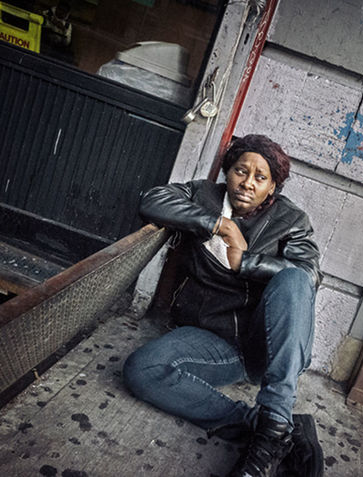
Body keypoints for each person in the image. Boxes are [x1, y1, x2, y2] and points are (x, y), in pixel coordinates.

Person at [123, 134, 323, 477]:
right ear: (227, 172)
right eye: (240, 171)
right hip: (211, 339)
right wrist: (220, 225)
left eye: (260, 178)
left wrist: (245, 262)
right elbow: (152, 200)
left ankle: (275, 418)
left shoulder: (291, 221)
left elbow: (309, 275)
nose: (247, 183)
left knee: (294, 279)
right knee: (141, 370)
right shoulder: (204, 196)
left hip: (263, 344)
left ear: (272, 187)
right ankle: (268, 431)